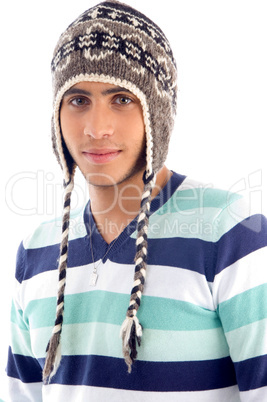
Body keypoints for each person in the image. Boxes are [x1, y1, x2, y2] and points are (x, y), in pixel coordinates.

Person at [5, 1, 267, 400]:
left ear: (158, 113)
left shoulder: (232, 232)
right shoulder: (37, 252)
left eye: (122, 99)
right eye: (78, 100)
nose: (97, 128)